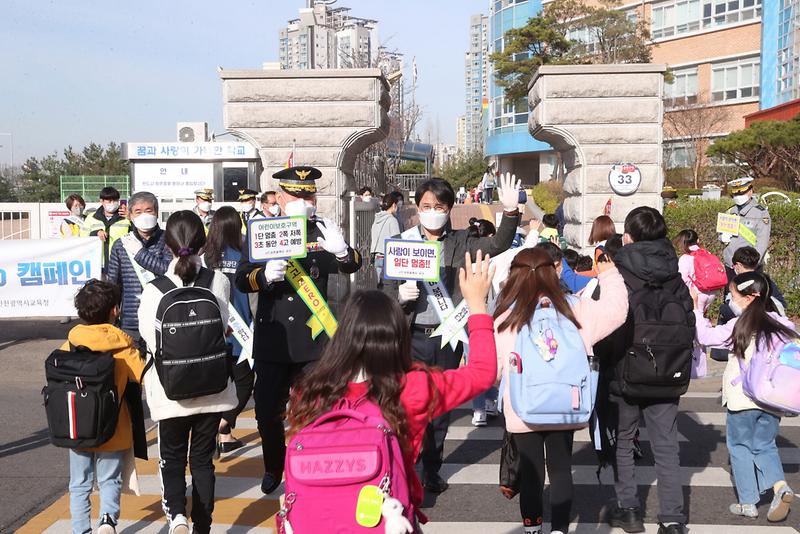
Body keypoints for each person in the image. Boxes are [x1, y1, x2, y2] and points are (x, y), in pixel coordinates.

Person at [286, 251, 497, 526]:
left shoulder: (310, 390)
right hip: (386, 520)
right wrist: (477, 305)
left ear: (344, 335)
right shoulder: (412, 388)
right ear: (398, 336)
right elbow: (482, 373)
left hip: (317, 522)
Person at [382, 173, 520, 492]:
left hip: (447, 335)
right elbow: (385, 289)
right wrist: (399, 298)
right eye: (427, 205)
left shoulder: (462, 240)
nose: (433, 210)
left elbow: (498, 243)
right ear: (418, 207)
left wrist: (511, 214)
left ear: (449, 208)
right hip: (410, 334)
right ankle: (407, 464)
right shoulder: (403, 243)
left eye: (440, 206)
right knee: (407, 403)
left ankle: (433, 467)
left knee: (439, 405)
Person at [234, 165, 362, 495]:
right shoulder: (262, 230)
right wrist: (263, 277)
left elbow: (353, 263)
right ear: (279, 197)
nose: (303, 200)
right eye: (296, 194)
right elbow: (241, 277)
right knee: (266, 412)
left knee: (317, 410)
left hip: (313, 341)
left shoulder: (322, 230)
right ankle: (274, 465)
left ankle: (315, 465)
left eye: (309, 194)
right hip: (273, 339)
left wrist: (344, 251)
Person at [494, 247, 629, 534]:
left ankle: (532, 529)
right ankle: (559, 530)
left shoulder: (506, 317)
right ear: (553, 272)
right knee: (560, 469)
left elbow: (493, 369)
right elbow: (617, 312)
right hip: (568, 403)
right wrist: (609, 275)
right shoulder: (575, 308)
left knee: (531, 475)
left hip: (523, 407)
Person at [138, 210, 238, 534]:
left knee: (171, 456)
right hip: (212, 390)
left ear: (167, 246)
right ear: (203, 242)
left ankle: (177, 517)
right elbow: (223, 327)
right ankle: (203, 525)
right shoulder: (218, 281)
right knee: (202, 461)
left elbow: (149, 339)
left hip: (171, 393)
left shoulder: (155, 289)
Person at [606, 206, 693, 534]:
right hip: (668, 371)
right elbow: (689, 320)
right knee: (667, 446)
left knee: (625, 441)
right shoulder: (675, 273)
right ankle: (672, 519)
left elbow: (610, 320)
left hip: (625, 369)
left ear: (627, 236)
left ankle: (628, 510)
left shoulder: (620, 271)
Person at [692, 271, 796, 522]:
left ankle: (748, 502)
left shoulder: (739, 325)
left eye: (734, 295)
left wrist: (697, 309)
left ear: (749, 297)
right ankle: (780, 486)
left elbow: (705, 337)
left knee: (739, 448)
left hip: (742, 398)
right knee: (765, 445)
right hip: (773, 399)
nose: (731, 299)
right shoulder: (783, 325)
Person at [64, 280, 145, 534]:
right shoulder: (123, 346)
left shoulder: (71, 342)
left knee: (79, 483)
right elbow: (143, 375)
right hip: (114, 427)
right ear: (115, 311)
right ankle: (107, 521)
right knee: (110, 479)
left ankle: (80, 529)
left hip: (78, 428)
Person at [203, 206, 255, 454]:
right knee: (244, 382)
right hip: (242, 331)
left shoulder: (206, 258)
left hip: (213, 332)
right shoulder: (244, 254)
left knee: (218, 386)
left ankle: (224, 434)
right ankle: (224, 424)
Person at [106, 192, 172, 340]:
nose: (144, 215)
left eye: (149, 211)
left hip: (163, 316)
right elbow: (113, 284)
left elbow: (169, 272)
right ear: (130, 215)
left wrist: (140, 253)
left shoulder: (169, 239)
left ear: (156, 212)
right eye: (138, 212)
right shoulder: (121, 244)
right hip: (131, 319)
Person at [719, 246, 787, 322]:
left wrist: (723, 309)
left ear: (739, 265)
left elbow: (730, 309)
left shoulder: (737, 283)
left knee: (723, 310)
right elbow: (781, 304)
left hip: (743, 324)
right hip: (767, 322)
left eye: (734, 266)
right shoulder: (766, 281)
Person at [719, 177, 770, 277]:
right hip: (731, 265)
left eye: (741, 193)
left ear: (750, 191)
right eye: (736, 194)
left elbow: (762, 243)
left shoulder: (760, 213)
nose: (738, 196)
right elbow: (720, 235)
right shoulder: (730, 212)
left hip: (750, 266)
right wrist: (722, 237)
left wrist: (751, 265)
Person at [86, 187, 130, 272]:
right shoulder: (91, 217)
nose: (112, 203)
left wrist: (131, 217)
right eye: (109, 201)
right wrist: (96, 233)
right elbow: (83, 237)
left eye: (115, 201)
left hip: (121, 265)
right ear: (101, 201)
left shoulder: (126, 217)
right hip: (98, 265)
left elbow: (138, 235)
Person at [60, 194, 88, 324]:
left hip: (87, 256)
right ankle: (66, 312)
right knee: (69, 287)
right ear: (70, 208)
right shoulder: (66, 222)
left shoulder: (89, 219)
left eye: (80, 204)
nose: (79, 207)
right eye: (75, 205)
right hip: (72, 258)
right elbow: (68, 239)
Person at [370, 193, 402, 286]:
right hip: (389, 258)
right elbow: (397, 242)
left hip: (377, 257)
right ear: (394, 205)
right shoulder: (392, 220)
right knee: (390, 290)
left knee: (380, 288)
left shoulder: (377, 219)